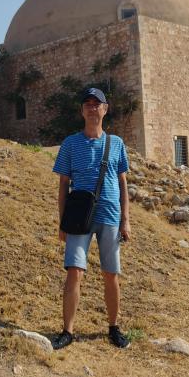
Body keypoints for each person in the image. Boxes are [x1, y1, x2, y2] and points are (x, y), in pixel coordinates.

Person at [52, 87, 131, 350]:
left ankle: (114, 327)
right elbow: (63, 184)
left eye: (96, 103)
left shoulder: (116, 143)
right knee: (74, 271)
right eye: (87, 103)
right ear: (81, 111)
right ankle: (67, 331)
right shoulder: (70, 143)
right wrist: (62, 222)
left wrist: (126, 220)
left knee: (111, 274)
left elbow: (123, 183)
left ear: (105, 109)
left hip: (110, 215)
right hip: (78, 217)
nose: (91, 107)